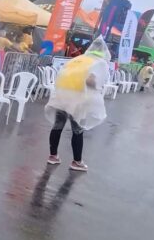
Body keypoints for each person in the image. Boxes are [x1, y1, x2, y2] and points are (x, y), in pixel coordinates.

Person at [45, 37, 110, 172]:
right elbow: (91, 81)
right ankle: (77, 162)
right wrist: (97, 87)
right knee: (77, 129)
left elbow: (62, 74)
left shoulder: (78, 59)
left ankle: (53, 156)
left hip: (62, 94)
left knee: (58, 125)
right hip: (78, 97)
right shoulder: (99, 63)